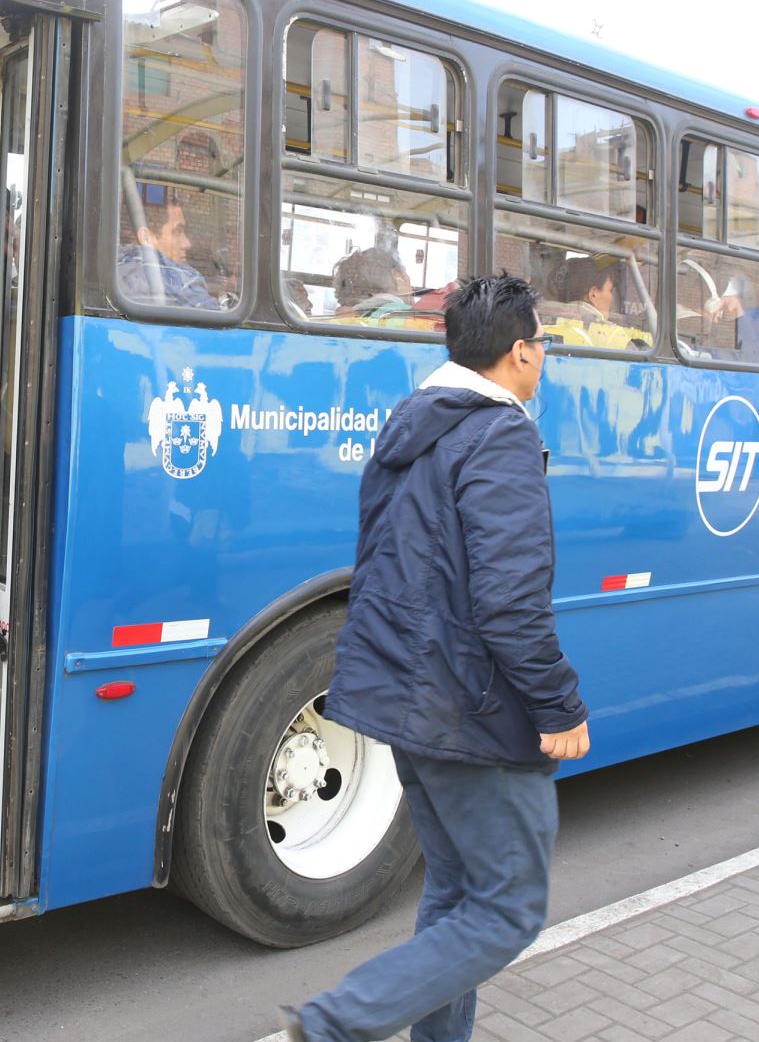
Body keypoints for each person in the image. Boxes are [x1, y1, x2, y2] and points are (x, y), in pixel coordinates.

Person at [280, 276, 590, 1042]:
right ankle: (336, 1024)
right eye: (542, 342)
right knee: (508, 907)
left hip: (403, 696)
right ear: (520, 353)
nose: (544, 355)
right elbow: (510, 602)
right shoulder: (501, 433)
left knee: (455, 890)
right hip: (468, 709)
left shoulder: (414, 424)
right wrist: (560, 706)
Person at [116, 194, 219, 309]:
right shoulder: (178, 276)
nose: (187, 243)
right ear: (146, 238)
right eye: (177, 231)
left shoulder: (117, 267)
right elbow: (216, 319)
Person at [330, 246, 414, 323]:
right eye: (405, 274)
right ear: (397, 276)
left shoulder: (344, 320)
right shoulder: (409, 317)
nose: (411, 287)